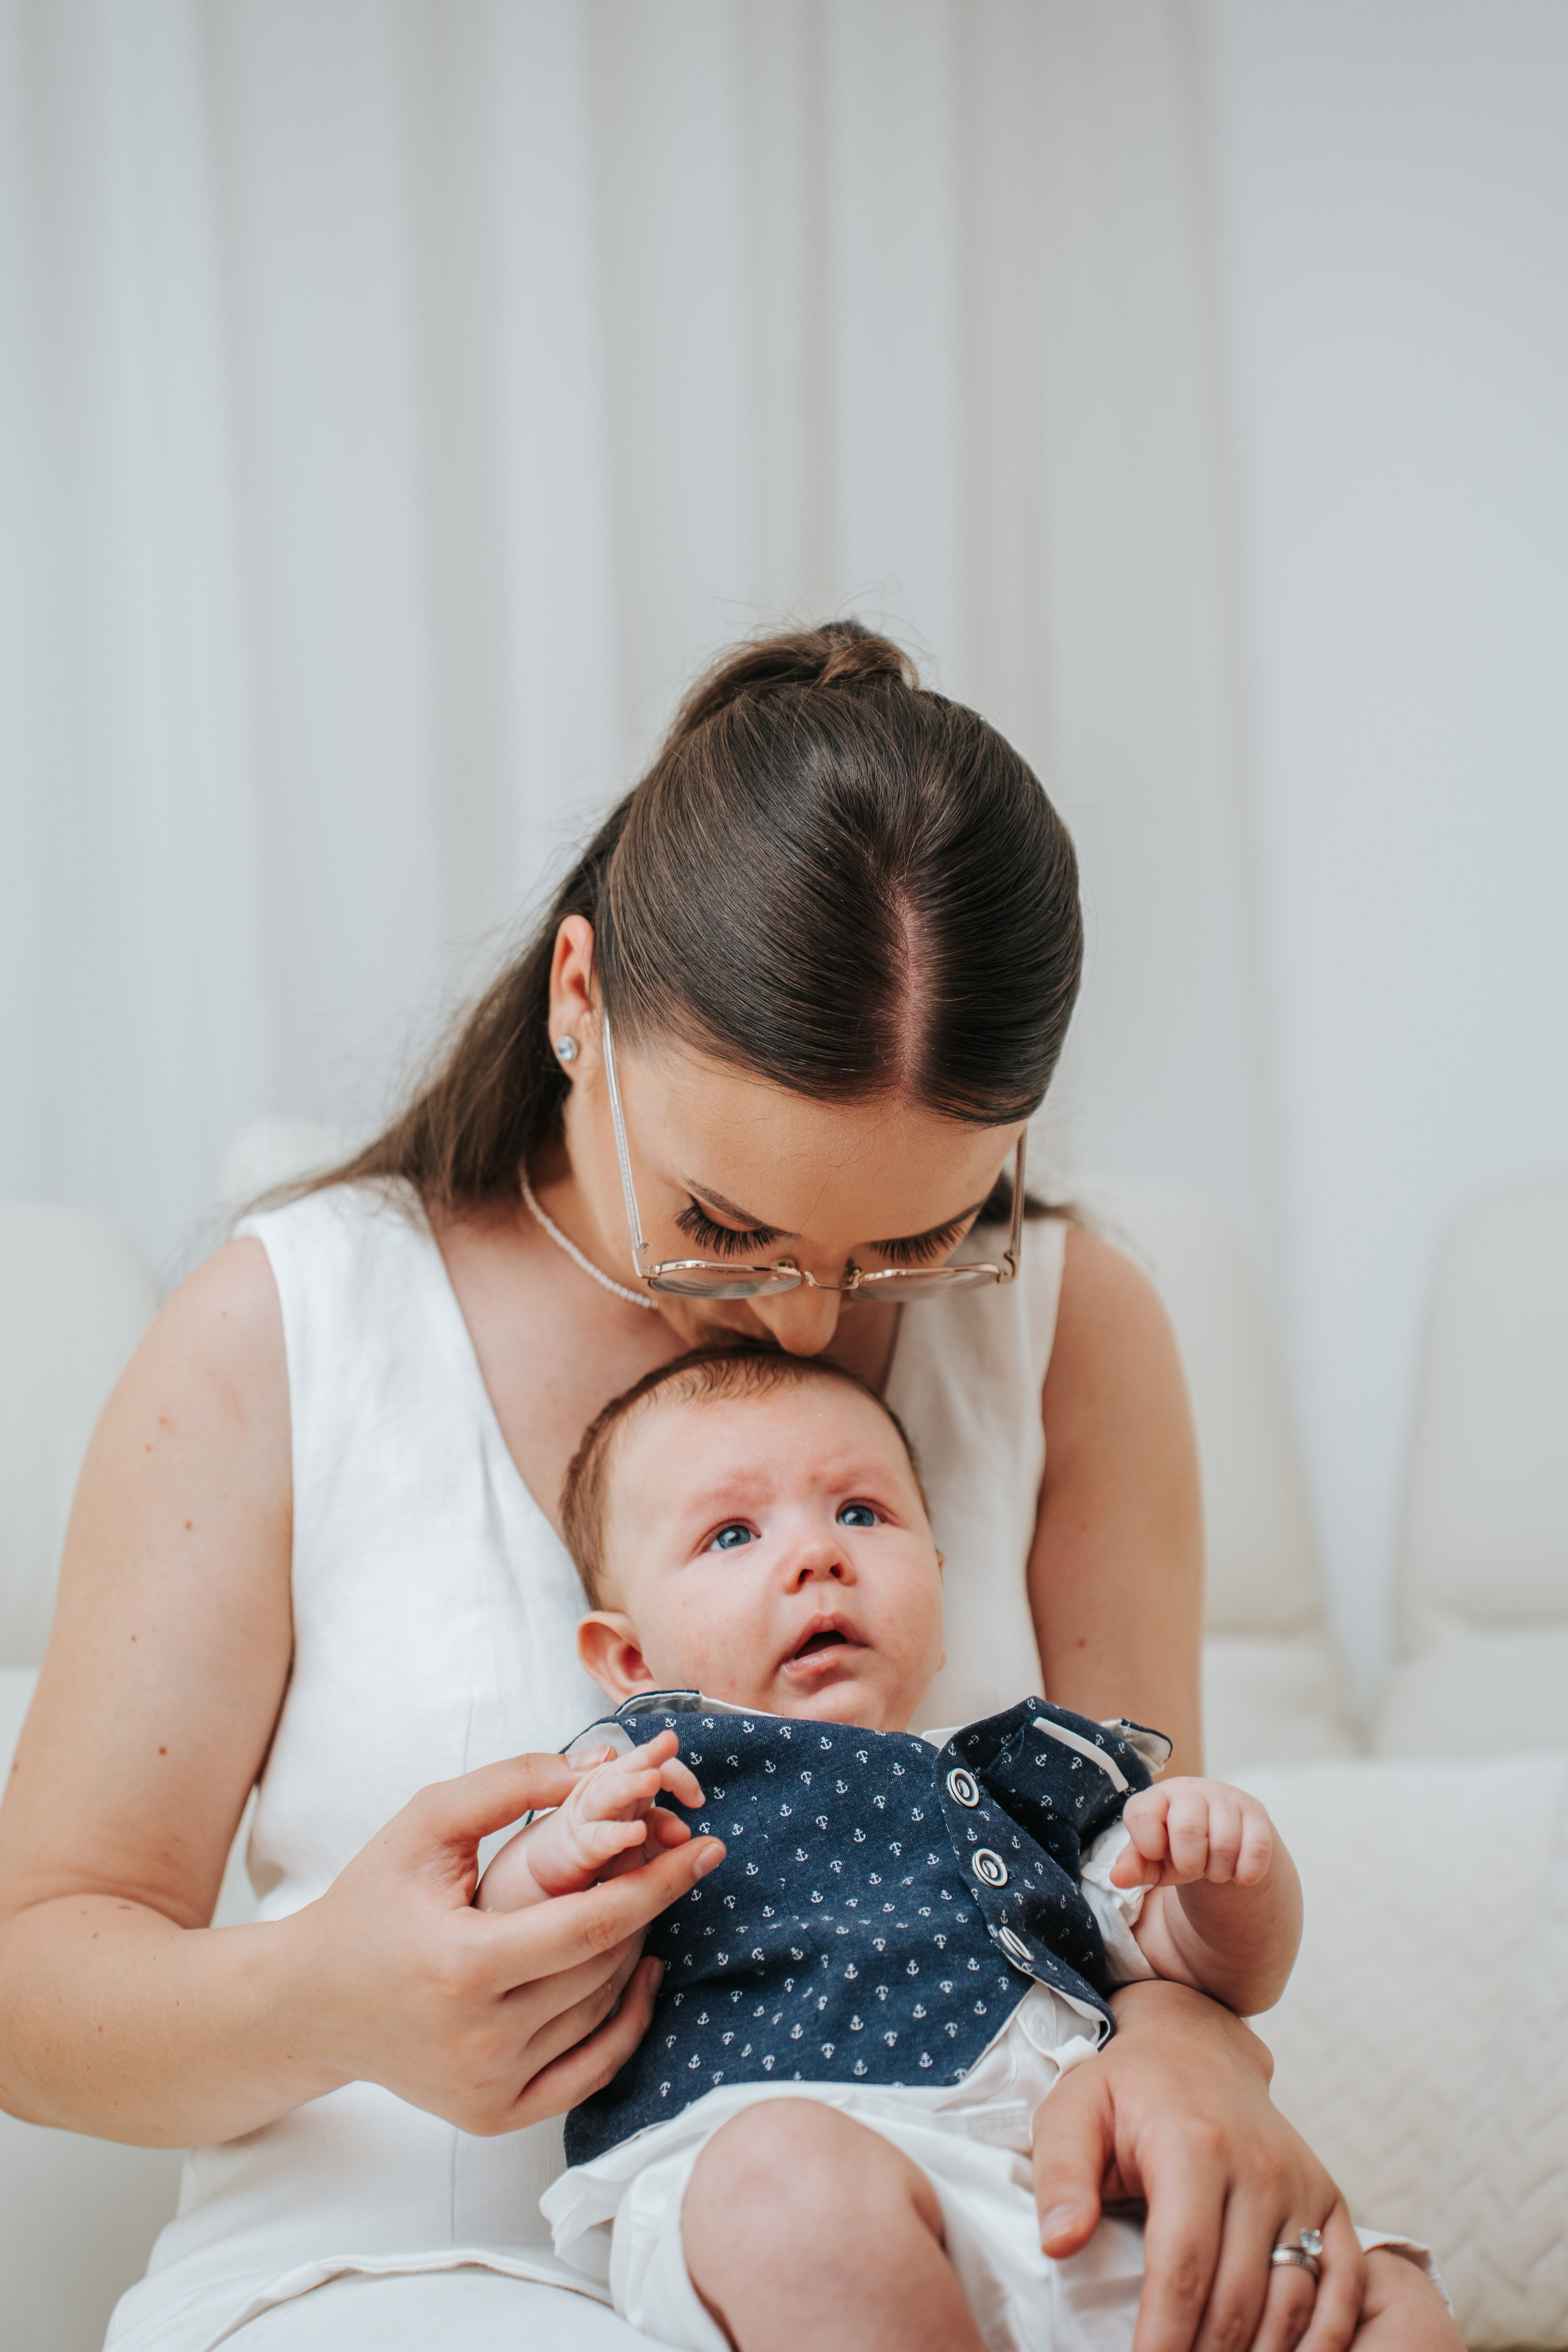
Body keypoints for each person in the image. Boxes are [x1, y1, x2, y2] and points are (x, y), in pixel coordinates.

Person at [0, 623, 1456, 2352]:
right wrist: (334, 1999)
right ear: (576, 1000)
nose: (809, 1317)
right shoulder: (286, 1328)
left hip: (967, 2232)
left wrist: (1199, 2058)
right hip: (412, 2281)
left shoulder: (1081, 1328)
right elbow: (34, 1981)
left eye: (917, 1238)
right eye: (723, 1223)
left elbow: (1138, 1864)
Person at [476, 1344, 1431, 2352]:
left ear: (935, 1583)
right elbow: (502, 1952)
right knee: (785, 2188)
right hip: (775, 2173)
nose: (819, 1557)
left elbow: (1210, 1974)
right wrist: (557, 1858)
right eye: (733, 1533)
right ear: (628, 1658)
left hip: (1070, 2191)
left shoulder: (1016, 1775)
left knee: (1384, 2300)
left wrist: (1232, 1872)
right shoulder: (647, 1781)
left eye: (860, 1514)